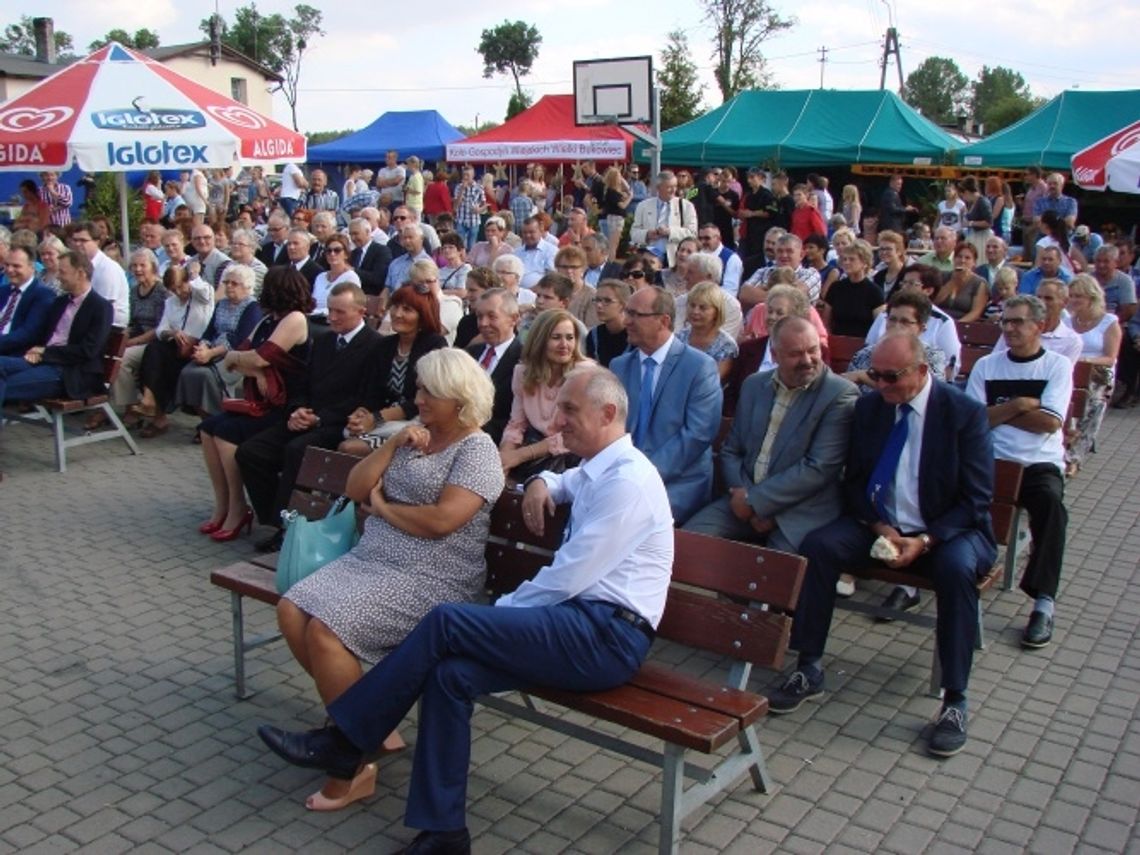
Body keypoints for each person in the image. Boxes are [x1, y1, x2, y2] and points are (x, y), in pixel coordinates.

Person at [258, 365, 672, 853]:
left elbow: (568, 578)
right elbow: (567, 483)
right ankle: (444, 834)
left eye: (569, 410)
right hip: (573, 623)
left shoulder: (629, 483)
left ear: (607, 413)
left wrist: (501, 612)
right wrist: (542, 482)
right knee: (449, 676)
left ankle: (347, 741)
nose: (557, 421)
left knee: (449, 621)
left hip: (605, 636)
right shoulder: (601, 467)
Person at [273, 346, 503, 812]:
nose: (418, 398)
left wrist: (381, 508)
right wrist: (394, 443)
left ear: (459, 397)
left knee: (326, 630)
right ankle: (369, 724)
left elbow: (441, 522)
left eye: (429, 391)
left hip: (433, 576)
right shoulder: (415, 435)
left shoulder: (477, 450)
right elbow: (354, 487)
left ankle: (351, 764)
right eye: (418, 388)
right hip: (373, 560)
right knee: (291, 609)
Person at [771, 333, 996, 759]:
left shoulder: (962, 413)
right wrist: (878, 526)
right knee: (819, 546)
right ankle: (808, 666)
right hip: (883, 525)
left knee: (956, 570)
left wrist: (924, 540)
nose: (881, 385)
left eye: (891, 377)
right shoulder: (872, 408)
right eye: (875, 375)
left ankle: (955, 700)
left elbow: (976, 499)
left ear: (922, 371)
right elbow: (854, 481)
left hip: (947, 531)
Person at [687, 315, 857, 552]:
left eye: (813, 350)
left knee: (773, 570)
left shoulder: (839, 395)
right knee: (687, 542)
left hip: (799, 511)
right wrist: (742, 497)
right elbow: (731, 450)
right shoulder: (754, 385)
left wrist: (756, 502)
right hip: (743, 498)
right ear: (775, 356)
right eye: (795, 354)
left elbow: (819, 467)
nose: (807, 360)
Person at [236, 283, 383, 550]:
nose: (332, 317)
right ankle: (276, 515)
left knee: (297, 451)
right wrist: (298, 409)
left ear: (361, 312)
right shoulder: (324, 340)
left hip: (338, 423)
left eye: (340, 312)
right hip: (307, 416)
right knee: (250, 452)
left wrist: (319, 419)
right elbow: (303, 382)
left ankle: (287, 528)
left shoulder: (375, 346)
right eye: (331, 310)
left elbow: (365, 398)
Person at [966, 295, 1072, 650]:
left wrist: (1000, 411)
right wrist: (1020, 404)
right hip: (992, 459)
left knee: (1052, 508)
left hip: (1038, 462)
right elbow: (975, 420)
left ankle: (1043, 602)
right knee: (950, 497)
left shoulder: (1056, 366)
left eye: (1018, 322)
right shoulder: (987, 365)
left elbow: (1050, 423)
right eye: (1005, 321)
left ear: (1038, 326)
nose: (1009, 328)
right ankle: (921, 583)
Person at [198, 267, 312, 541]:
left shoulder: (295, 319)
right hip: (260, 402)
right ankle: (223, 505)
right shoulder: (267, 321)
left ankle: (239, 508)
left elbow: (259, 356)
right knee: (208, 428)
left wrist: (246, 361)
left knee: (226, 434)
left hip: (285, 406)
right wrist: (255, 369)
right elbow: (240, 357)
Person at [611, 287, 722, 524]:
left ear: (663, 321)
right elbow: (610, 427)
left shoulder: (700, 367)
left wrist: (643, 475)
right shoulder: (619, 366)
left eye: (635, 314)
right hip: (623, 476)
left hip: (678, 482)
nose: (626, 321)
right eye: (627, 313)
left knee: (630, 519)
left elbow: (698, 434)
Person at [341, 284, 449, 453]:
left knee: (350, 447)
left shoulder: (434, 345)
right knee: (349, 431)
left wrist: (376, 418)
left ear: (423, 316)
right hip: (385, 417)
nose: (397, 314)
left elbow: (425, 399)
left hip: (419, 420)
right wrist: (362, 413)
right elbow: (372, 393)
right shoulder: (384, 345)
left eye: (407, 310)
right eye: (395, 307)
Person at [0, 251, 111, 409]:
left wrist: (45, 352)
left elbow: (88, 351)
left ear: (80, 273)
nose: (57, 276)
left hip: (70, 372)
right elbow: (42, 335)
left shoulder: (100, 307)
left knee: (3, 384)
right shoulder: (60, 302)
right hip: (42, 361)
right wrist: (38, 351)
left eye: (62, 272)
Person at [499, 308, 592, 480]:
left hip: (573, 457)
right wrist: (505, 458)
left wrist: (520, 455)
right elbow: (516, 424)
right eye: (556, 337)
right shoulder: (523, 372)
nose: (564, 345)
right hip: (533, 453)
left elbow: (578, 433)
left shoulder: (585, 374)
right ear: (539, 340)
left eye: (570, 337)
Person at [174, 265, 262, 420]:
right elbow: (210, 331)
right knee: (187, 372)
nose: (228, 286)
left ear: (247, 286)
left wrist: (211, 353)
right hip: (212, 350)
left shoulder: (253, 307)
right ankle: (205, 418)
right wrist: (202, 347)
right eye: (226, 282)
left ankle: (217, 417)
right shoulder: (222, 304)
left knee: (206, 375)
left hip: (237, 356)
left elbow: (240, 339)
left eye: (234, 283)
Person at [1062, 275, 1121, 476]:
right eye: (1071, 296)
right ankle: (1065, 447)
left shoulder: (1109, 322)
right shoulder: (1067, 322)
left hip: (1099, 372)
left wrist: (1085, 361)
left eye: (1079, 296)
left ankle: (1075, 457)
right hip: (1072, 370)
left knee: (1092, 401)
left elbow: (1110, 358)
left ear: (1092, 298)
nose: (1074, 300)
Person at [865, 265, 961, 376]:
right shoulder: (885, 315)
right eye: (903, 283)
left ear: (928, 290)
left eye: (911, 284)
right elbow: (868, 348)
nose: (904, 288)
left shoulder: (942, 322)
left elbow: (950, 365)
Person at [106, 250, 169, 419]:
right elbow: (131, 320)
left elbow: (161, 327)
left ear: (153, 267)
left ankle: (131, 408)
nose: (138, 269)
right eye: (134, 266)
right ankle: (127, 405)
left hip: (154, 342)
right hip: (136, 336)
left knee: (121, 360)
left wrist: (133, 342)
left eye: (142, 265)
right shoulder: (134, 291)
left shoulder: (162, 291)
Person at [845, 290, 950, 391]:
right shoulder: (864, 355)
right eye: (892, 319)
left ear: (921, 329)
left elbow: (929, 393)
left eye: (905, 322)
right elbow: (848, 392)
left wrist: (863, 377)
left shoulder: (932, 357)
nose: (896, 326)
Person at [466, 288, 522, 444]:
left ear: (514, 319)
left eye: (492, 316)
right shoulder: (469, 355)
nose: (483, 323)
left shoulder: (524, 360)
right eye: (479, 317)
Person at [629, 171, 698, 267]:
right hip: (649, 258)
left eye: (675, 186)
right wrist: (647, 234)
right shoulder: (643, 206)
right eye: (669, 187)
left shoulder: (687, 206)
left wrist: (670, 232)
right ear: (658, 188)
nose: (673, 190)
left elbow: (693, 233)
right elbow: (633, 233)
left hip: (674, 258)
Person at [68, 222, 129, 328]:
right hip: (86, 321)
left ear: (96, 242)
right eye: (75, 240)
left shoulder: (108, 268)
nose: (77, 244)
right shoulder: (77, 265)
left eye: (83, 240)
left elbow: (103, 307)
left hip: (110, 327)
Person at [676, 281, 738, 382]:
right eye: (692, 305)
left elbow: (712, 382)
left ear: (716, 311)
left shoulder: (726, 346)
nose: (695, 311)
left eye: (703, 308)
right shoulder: (678, 338)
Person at [0, 246, 56, 356]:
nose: (9, 270)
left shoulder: (43, 295)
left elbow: (28, 334)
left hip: (16, 354)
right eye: (7, 265)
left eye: (16, 266)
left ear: (32, 267)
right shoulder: (3, 291)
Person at [823, 239, 884, 338]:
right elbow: (826, 322)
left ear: (864, 263)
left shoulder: (874, 292)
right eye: (844, 259)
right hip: (837, 341)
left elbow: (879, 326)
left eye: (852, 259)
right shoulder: (836, 288)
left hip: (863, 342)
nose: (846, 262)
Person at [934, 242, 988, 322]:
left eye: (967, 258)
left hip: (962, 323)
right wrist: (953, 281)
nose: (962, 261)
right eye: (959, 257)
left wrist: (956, 324)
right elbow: (934, 301)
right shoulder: (942, 276)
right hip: (938, 320)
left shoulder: (979, 283)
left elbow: (976, 312)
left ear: (974, 262)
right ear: (954, 259)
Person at [311, 234, 361, 316]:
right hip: (315, 318)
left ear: (346, 254)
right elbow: (313, 302)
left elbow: (347, 307)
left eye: (337, 250)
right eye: (328, 251)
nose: (332, 254)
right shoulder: (320, 277)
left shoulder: (351, 278)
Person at [585, 279, 631, 368]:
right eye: (597, 300)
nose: (599, 305)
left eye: (607, 301)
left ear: (623, 305)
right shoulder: (594, 335)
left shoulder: (634, 335)